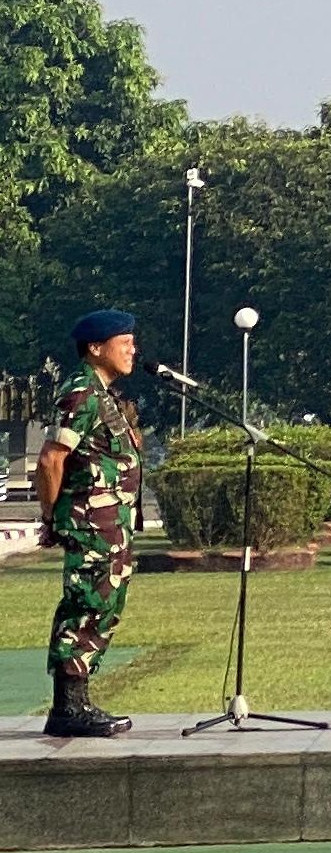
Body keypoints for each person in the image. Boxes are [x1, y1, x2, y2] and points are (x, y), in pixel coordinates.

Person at [34, 308, 147, 739]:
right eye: (124, 342)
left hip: (109, 525)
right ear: (96, 348)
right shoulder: (81, 393)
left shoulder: (104, 395)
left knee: (102, 607)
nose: (132, 349)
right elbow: (51, 459)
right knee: (85, 606)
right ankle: (68, 708)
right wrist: (52, 516)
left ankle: (77, 703)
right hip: (90, 524)